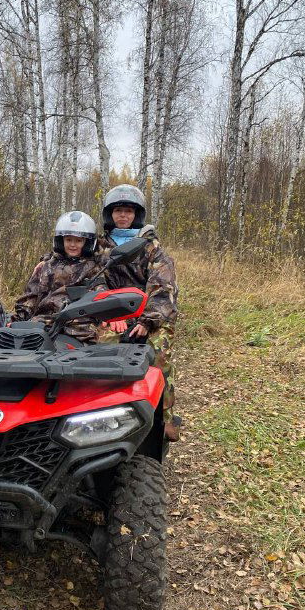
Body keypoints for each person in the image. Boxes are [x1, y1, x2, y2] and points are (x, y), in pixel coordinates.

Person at [100, 184, 181, 441]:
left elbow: (163, 287)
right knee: (96, 350)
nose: (122, 215)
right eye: (117, 211)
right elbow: (95, 281)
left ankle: (165, 417)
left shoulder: (151, 247)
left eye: (128, 210)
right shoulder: (99, 246)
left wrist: (147, 320)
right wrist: (110, 315)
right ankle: (104, 411)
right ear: (109, 214)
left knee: (157, 354)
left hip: (150, 314)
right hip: (113, 314)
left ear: (137, 214)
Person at [13, 211, 106, 343]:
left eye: (78, 240)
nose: (73, 244)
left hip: (79, 321)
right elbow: (31, 296)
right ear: (60, 240)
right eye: (68, 240)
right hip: (45, 319)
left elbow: (100, 294)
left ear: (87, 242)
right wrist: (20, 317)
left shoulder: (93, 268)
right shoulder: (46, 266)